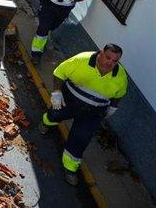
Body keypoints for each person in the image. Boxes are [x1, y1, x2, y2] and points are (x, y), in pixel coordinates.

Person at [39, 44, 127, 185]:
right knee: (55, 115)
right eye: (108, 57)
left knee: (81, 138)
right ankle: (46, 122)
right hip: (70, 100)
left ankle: (70, 168)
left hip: (94, 112)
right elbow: (60, 72)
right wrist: (56, 92)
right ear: (100, 53)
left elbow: (120, 94)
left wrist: (112, 108)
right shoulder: (82, 59)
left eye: (115, 61)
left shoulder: (120, 76)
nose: (110, 63)